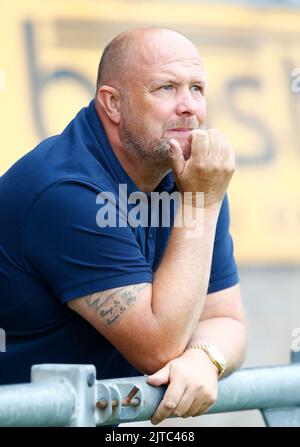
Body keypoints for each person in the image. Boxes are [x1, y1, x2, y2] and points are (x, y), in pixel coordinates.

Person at [0, 27, 247, 425]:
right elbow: (157, 348)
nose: (189, 107)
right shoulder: (66, 189)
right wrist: (202, 203)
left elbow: (227, 319)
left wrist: (206, 357)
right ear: (112, 104)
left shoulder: (195, 179)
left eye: (197, 89)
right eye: (166, 88)